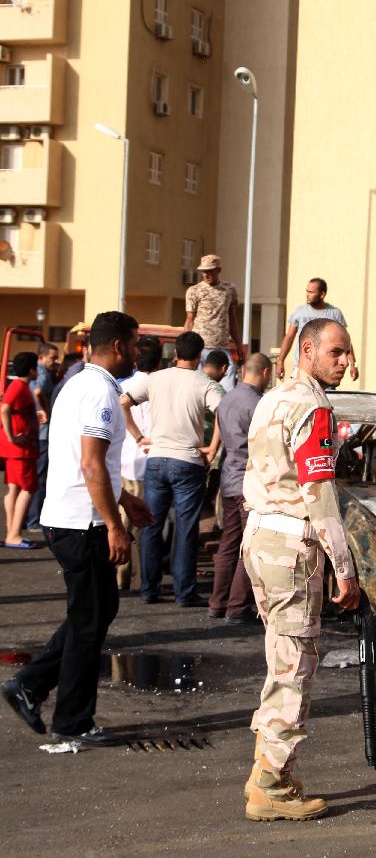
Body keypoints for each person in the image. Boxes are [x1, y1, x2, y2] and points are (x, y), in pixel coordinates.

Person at [0, 312, 152, 745]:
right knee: (89, 620)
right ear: (119, 346)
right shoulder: (101, 391)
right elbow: (89, 464)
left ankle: (30, 684)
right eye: (136, 344)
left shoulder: (78, 383)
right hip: (80, 521)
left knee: (96, 611)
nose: (138, 353)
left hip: (68, 515)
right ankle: (71, 721)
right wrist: (114, 526)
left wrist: (127, 502)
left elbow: (92, 463)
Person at [242, 318, 360, 822]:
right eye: (336, 352)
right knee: (293, 668)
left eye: (348, 353)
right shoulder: (313, 407)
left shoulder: (271, 398)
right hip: (291, 546)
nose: (345, 362)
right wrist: (345, 566)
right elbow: (319, 493)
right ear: (306, 349)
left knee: (281, 657)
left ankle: (264, 770)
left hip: (261, 537)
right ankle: (272, 784)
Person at [121, 331, 223, 607]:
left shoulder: (156, 378)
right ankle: (184, 591)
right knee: (186, 528)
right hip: (187, 461)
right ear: (200, 355)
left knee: (150, 525)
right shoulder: (205, 382)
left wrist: (138, 436)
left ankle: (149, 588)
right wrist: (212, 447)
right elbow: (224, 414)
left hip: (156, 459)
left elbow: (124, 403)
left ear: (175, 353)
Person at [209, 352, 272, 622]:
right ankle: (237, 607)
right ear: (266, 373)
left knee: (228, 544)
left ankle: (217, 603)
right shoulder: (259, 404)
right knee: (249, 547)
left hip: (229, 478)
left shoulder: (226, 400)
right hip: (250, 481)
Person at [118, 335, 163, 591]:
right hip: (147, 460)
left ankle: (122, 574)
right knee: (142, 522)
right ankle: (138, 577)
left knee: (124, 517)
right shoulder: (157, 385)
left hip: (126, 459)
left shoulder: (125, 384)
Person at [275, 278, 359, 382]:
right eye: (307, 291)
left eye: (311, 292)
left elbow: (345, 341)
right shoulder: (299, 312)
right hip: (303, 371)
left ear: (322, 294)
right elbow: (289, 337)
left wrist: (353, 364)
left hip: (326, 373)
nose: (307, 295)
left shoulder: (334, 314)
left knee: (323, 398)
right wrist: (280, 361)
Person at [184, 254, 243, 393]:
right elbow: (189, 319)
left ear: (218, 270)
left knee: (227, 388)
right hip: (200, 348)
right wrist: (185, 346)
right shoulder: (194, 291)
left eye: (210, 270)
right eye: (203, 271)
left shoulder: (229, 290)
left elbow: (232, 318)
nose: (206, 274)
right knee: (198, 387)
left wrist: (239, 346)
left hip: (221, 347)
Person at [0, 352, 40, 548]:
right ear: (31, 369)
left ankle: (12, 533)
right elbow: (5, 408)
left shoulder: (19, 386)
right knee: (27, 488)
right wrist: (12, 436)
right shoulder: (18, 387)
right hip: (20, 450)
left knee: (15, 488)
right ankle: (14, 534)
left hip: (17, 448)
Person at [24, 342, 58, 530]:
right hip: (43, 433)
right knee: (40, 476)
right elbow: (38, 392)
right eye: (52, 358)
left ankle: (26, 518)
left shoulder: (37, 372)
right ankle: (33, 520)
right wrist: (46, 411)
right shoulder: (42, 374)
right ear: (41, 357)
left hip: (36, 430)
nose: (55, 361)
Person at [200, 349, 229, 447]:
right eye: (225, 373)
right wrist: (213, 448)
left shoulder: (189, 379)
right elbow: (223, 418)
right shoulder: (216, 389)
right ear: (224, 368)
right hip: (201, 445)